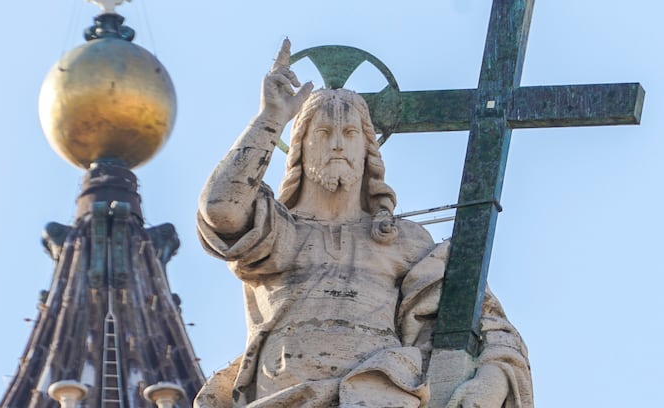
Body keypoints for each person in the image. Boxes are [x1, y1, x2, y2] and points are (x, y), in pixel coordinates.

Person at [195, 40, 532, 408]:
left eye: (350, 134)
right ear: (300, 148)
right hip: (280, 393)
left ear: (367, 149)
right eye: (323, 133)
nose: (337, 144)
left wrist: (493, 377)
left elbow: (489, 323)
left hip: (380, 392)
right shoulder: (278, 233)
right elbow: (221, 209)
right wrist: (270, 118)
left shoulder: (404, 241)